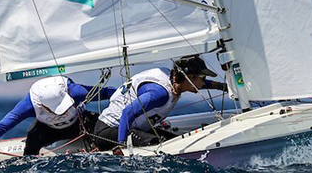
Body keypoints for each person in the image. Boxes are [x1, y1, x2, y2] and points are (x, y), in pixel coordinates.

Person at [0, 75, 115, 157]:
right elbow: (2, 126)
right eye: (58, 109)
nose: (64, 110)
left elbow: (107, 93)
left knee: (106, 129)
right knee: (31, 140)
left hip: (81, 124)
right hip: (49, 130)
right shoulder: (29, 104)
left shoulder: (75, 91)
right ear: (43, 106)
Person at [93, 55, 227, 151]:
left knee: (174, 140)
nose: (203, 82)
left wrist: (221, 86)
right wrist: (121, 145)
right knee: (159, 145)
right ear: (189, 77)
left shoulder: (174, 79)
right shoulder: (159, 93)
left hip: (132, 129)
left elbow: (198, 84)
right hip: (109, 132)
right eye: (202, 78)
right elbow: (127, 112)